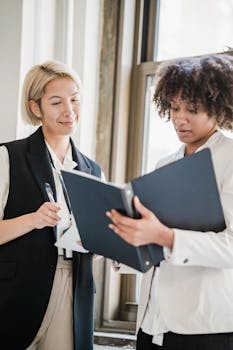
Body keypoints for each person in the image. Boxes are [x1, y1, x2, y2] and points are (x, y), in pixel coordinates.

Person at [107, 54, 233, 350]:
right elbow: (155, 251)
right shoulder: (166, 164)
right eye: (174, 108)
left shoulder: (230, 160)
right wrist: (118, 242)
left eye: (192, 109)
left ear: (218, 107)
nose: (179, 118)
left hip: (202, 327)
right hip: (151, 323)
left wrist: (164, 236)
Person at [0, 60, 102, 350]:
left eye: (74, 99)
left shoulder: (93, 171)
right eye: (56, 102)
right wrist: (33, 220)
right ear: (35, 108)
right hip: (15, 291)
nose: (69, 111)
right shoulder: (8, 157)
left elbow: (93, 246)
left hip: (74, 288)